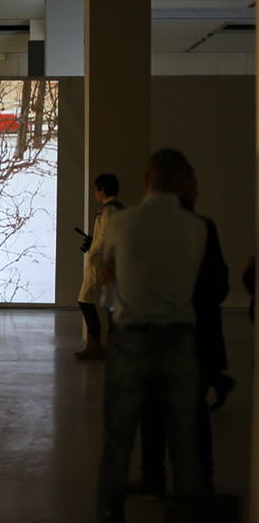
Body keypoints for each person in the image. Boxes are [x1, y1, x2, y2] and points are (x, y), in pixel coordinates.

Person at [96, 148, 207, 523]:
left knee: (117, 443)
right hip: (180, 341)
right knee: (185, 445)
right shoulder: (197, 228)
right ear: (183, 184)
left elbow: (108, 275)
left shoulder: (121, 224)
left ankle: (110, 516)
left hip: (131, 339)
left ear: (146, 181)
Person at [127, 164, 234, 500]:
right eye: (194, 184)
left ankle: (154, 477)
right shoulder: (202, 227)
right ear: (182, 187)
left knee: (153, 410)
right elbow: (217, 288)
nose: (198, 191)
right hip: (191, 338)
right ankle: (198, 482)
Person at [75, 174, 124, 360]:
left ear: (102, 190)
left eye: (96, 189)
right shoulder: (115, 209)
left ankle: (95, 344)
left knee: (85, 300)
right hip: (109, 262)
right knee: (110, 303)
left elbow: (106, 239)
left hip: (101, 262)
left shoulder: (109, 210)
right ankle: (111, 343)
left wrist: (94, 254)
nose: (95, 193)